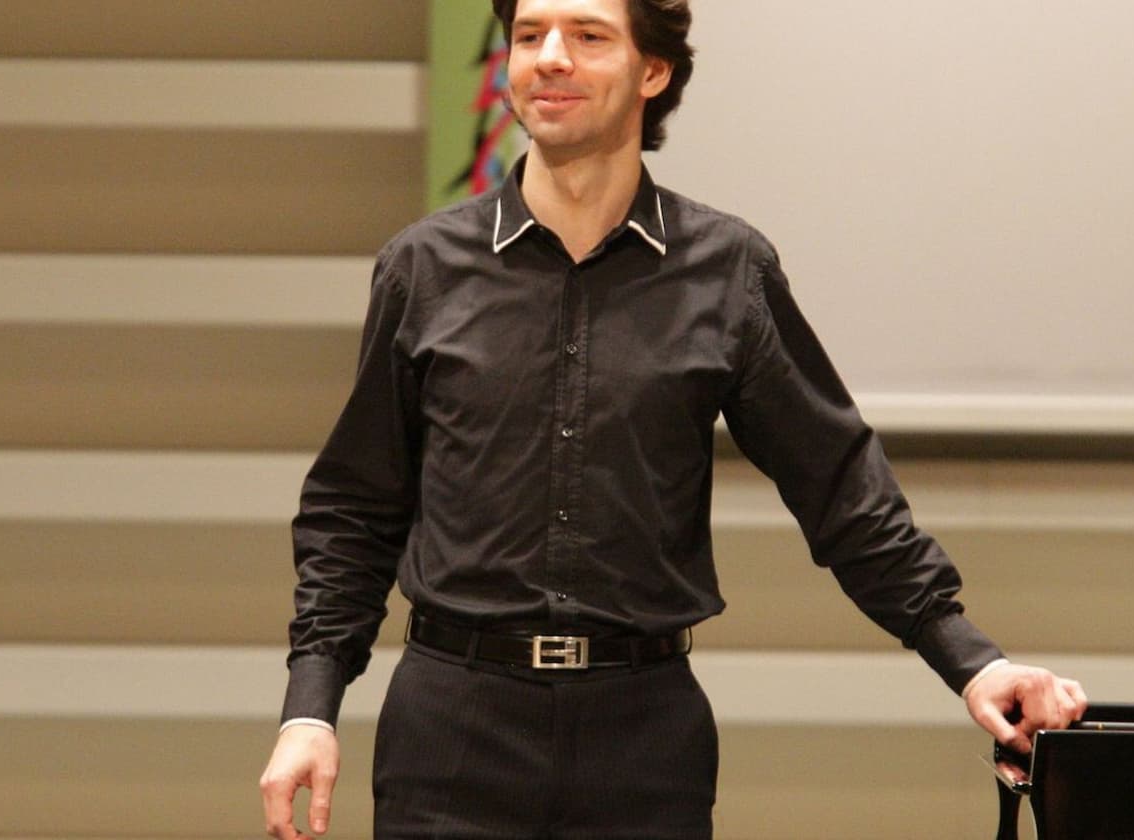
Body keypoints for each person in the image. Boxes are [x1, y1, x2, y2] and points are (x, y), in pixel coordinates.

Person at [259, 0, 1087, 837]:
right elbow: (355, 508)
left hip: (644, 737)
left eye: (587, 36)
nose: (549, 57)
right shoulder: (422, 268)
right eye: (528, 35)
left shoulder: (727, 271)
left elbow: (839, 489)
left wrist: (972, 662)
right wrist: (310, 709)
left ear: (653, 72)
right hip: (452, 729)